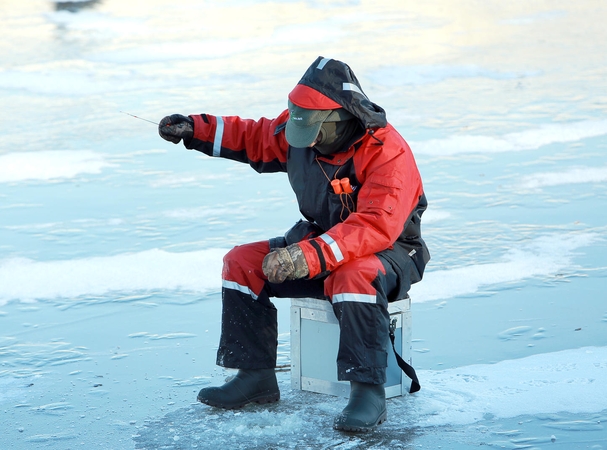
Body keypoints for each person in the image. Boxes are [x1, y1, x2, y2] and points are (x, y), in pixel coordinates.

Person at [157, 56, 430, 433]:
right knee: (242, 263)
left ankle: (368, 392)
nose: (307, 142)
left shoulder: (388, 152)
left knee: (354, 275)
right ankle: (255, 377)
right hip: (320, 240)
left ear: (341, 118)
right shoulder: (298, 129)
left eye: (315, 133)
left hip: (391, 250)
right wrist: (195, 130)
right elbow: (253, 136)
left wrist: (309, 255)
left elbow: (375, 226)